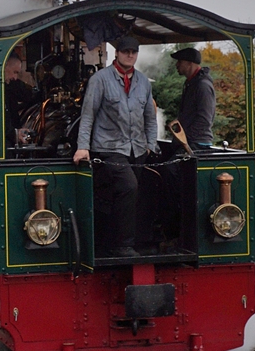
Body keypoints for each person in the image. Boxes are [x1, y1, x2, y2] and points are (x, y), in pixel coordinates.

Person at [74, 35, 158, 257]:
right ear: (117, 53)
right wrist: (82, 147)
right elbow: (88, 115)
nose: (130, 55)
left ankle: (132, 241)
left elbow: (150, 118)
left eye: (133, 52)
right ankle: (123, 245)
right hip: (109, 148)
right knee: (129, 186)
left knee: (136, 193)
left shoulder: (143, 82)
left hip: (137, 148)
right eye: (125, 51)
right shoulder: (100, 80)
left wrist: (151, 144)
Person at [171, 47, 216, 151]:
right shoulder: (192, 84)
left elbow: (204, 119)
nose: (177, 65)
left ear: (189, 63)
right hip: (190, 142)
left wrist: (185, 138)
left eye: (180, 61)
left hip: (196, 144)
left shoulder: (203, 86)